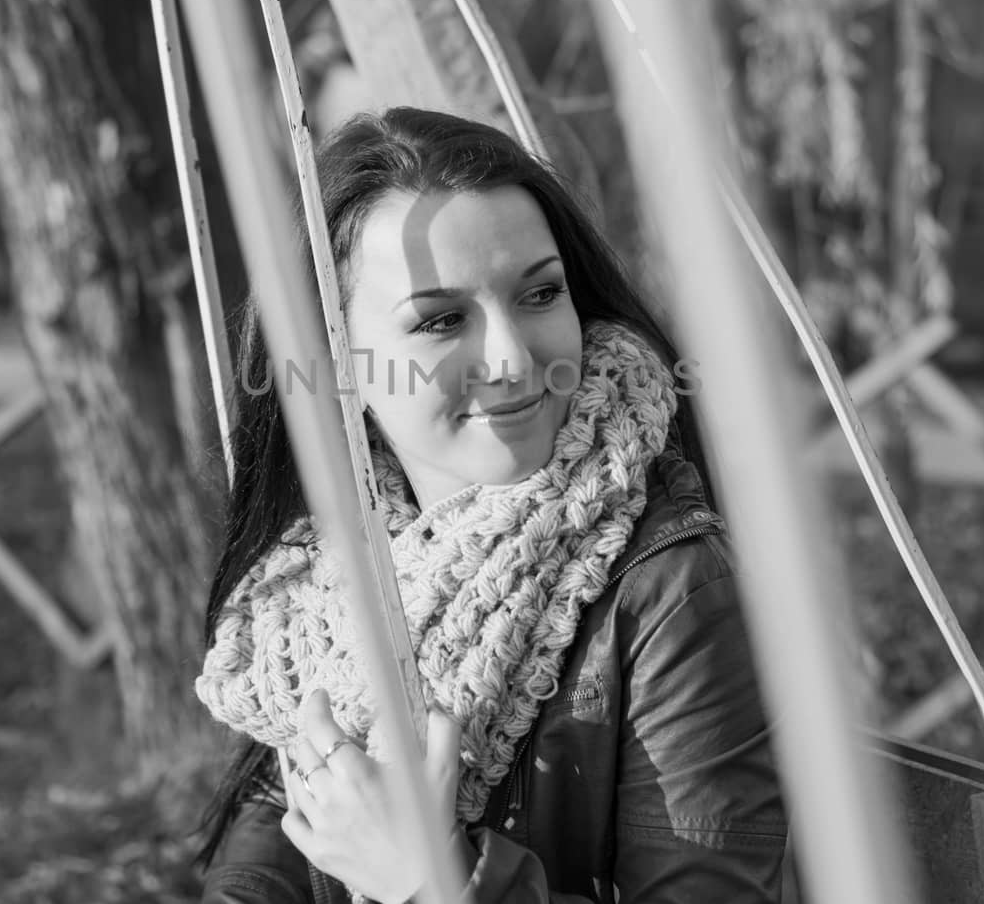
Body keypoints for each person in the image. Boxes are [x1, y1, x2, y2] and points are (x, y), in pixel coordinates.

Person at [192, 107, 788, 902]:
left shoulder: (671, 590)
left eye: (540, 293)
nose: (512, 358)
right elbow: (271, 848)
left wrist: (436, 882)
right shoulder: (324, 580)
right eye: (441, 320)